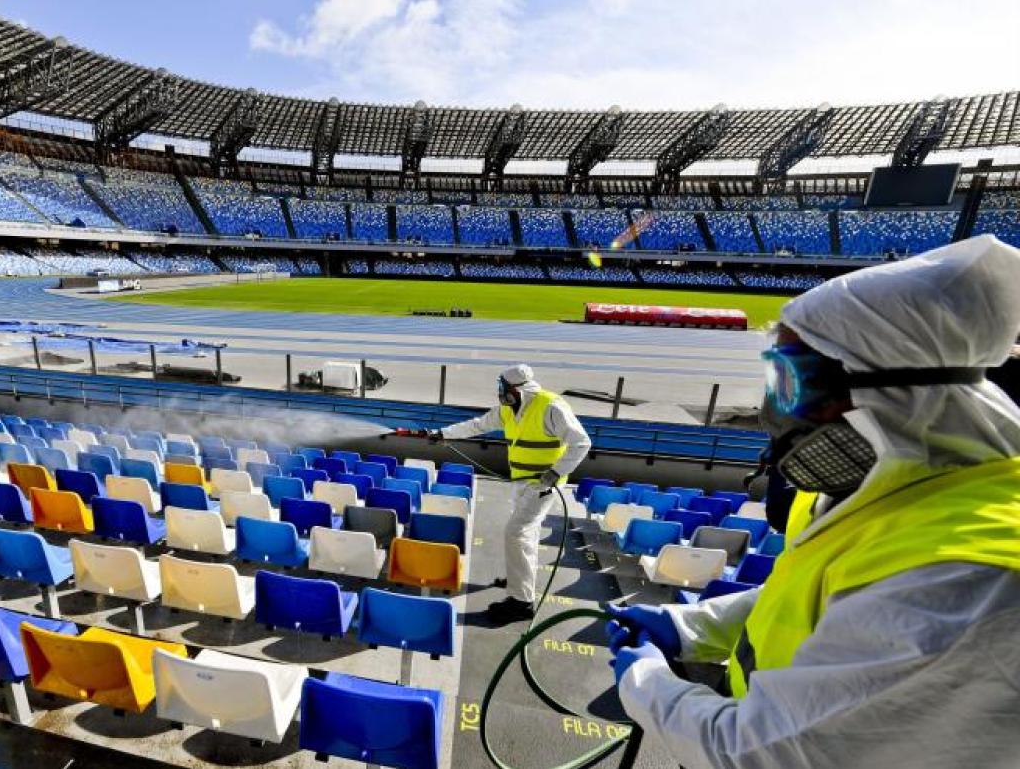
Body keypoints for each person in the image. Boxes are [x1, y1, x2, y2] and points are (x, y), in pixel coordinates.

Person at [604, 234, 1020, 768]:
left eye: (788, 380)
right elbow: (808, 602)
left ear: (885, 391)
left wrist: (645, 681)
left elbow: (765, 755)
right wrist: (690, 628)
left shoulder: (969, 580)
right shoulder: (862, 494)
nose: (771, 410)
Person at [430, 364, 590, 624]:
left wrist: (555, 472)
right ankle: (520, 579)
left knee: (516, 532)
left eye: (503, 388)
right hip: (520, 483)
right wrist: (442, 434)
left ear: (518, 389)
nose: (499, 392)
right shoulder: (507, 410)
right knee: (527, 535)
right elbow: (477, 425)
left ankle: (521, 603)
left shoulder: (551, 407)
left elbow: (581, 442)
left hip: (543, 486)